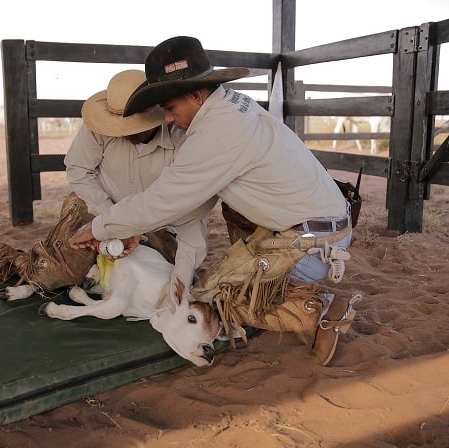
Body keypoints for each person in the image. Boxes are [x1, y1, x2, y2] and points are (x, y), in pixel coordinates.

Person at [69, 37, 357, 366]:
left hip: (312, 241)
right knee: (203, 288)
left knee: (218, 299)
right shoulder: (229, 107)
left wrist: (98, 226)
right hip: (312, 225)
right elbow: (187, 207)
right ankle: (274, 279)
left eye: (171, 108)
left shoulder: (215, 135)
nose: (167, 119)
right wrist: (179, 273)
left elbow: (163, 202)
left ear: (195, 94)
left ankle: (317, 313)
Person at [65, 69, 213, 290]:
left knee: (170, 275)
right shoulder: (97, 128)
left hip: (162, 225)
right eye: (118, 124)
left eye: (132, 125)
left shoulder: (184, 140)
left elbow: (191, 212)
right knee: (64, 266)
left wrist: (185, 266)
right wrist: (111, 219)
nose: (123, 132)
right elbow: (78, 170)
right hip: (103, 212)